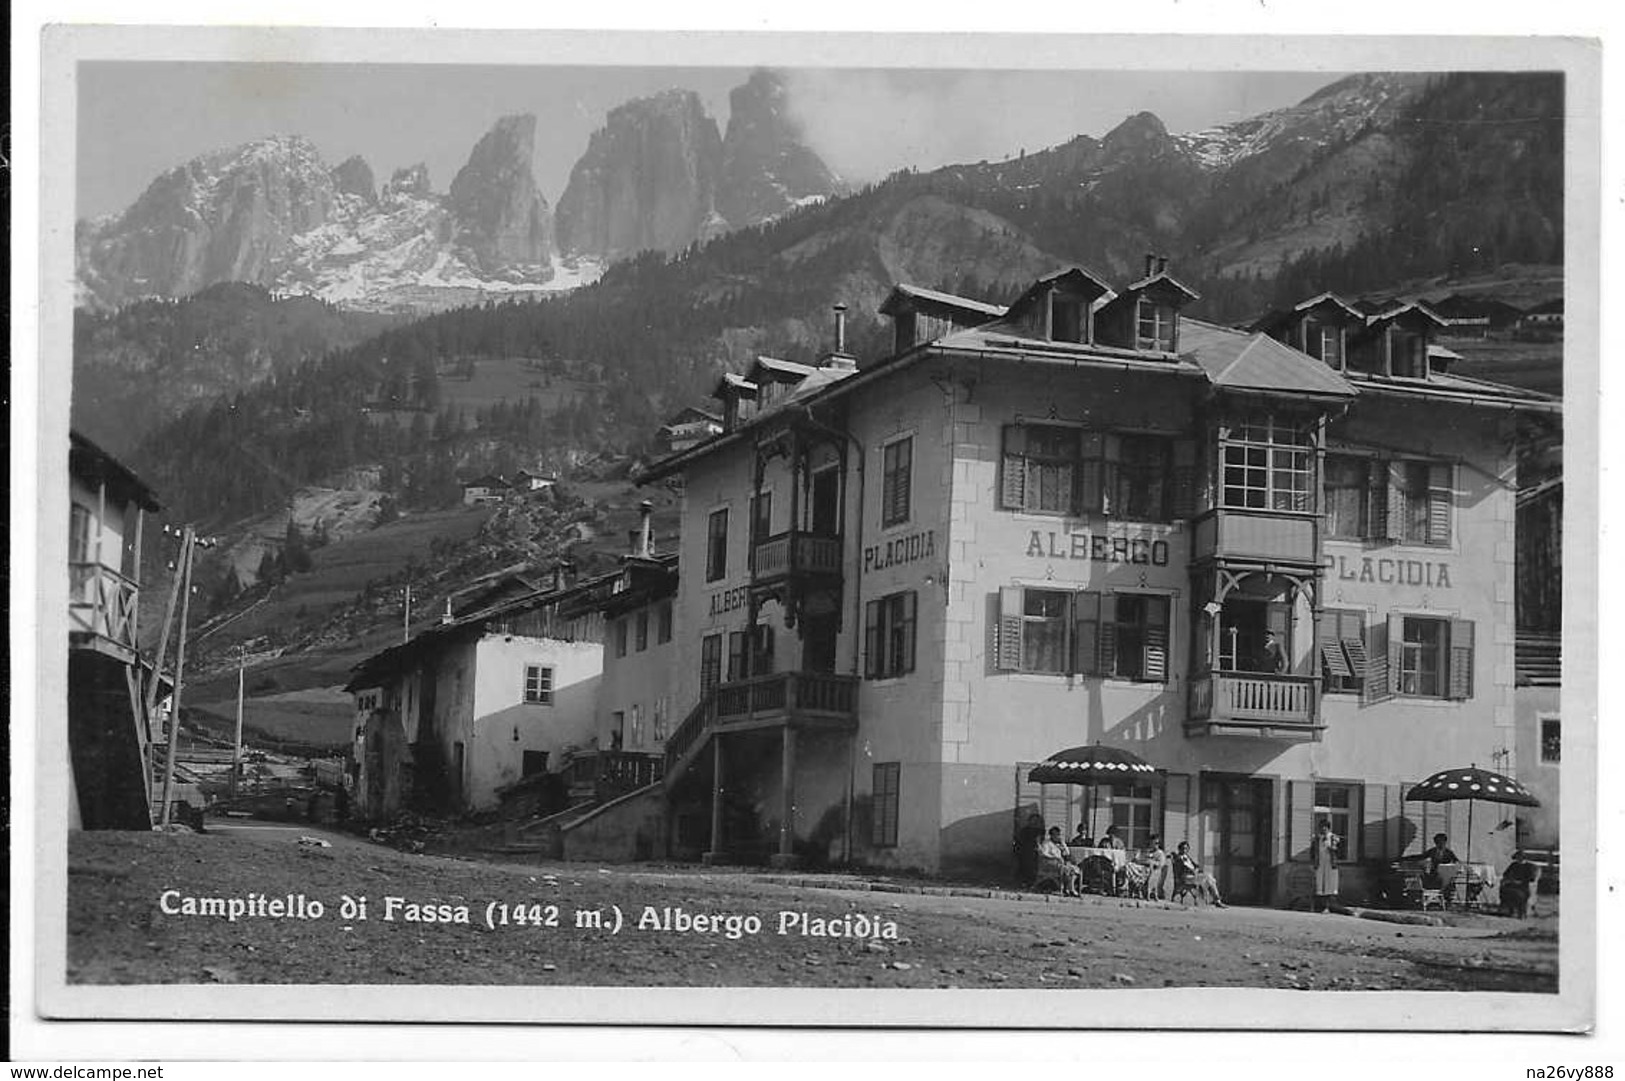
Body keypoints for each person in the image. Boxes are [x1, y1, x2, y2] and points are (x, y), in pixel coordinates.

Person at [1171, 840, 1227, 907]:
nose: (1184, 850)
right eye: (1183, 848)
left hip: (1193, 876)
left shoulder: (1187, 857)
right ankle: (1215, 899)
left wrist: (1196, 869)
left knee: (1209, 879)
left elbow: (1195, 866)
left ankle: (1216, 899)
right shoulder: (1178, 858)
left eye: (1186, 848)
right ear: (1179, 849)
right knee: (1209, 878)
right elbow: (1181, 868)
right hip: (1186, 878)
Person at [1038, 826, 1083, 897]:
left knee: (1074, 870)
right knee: (1066, 869)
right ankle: (1069, 889)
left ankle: (1070, 888)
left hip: (1061, 863)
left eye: (1058, 835)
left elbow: (1067, 853)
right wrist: (1055, 857)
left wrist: (1063, 845)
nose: (1057, 836)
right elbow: (1044, 854)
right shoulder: (1047, 843)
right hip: (1051, 863)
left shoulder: (1060, 844)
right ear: (1051, 835)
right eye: (1055, 835)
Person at [1311, 819, 1342, 913]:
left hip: (1330, 864)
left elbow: (1339, 851)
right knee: (1320, 884)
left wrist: (1332, 848)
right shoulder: (1317, 839)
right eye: (1321, 828)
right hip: (1320, 864)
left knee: (1329, 885)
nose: (1322, 830)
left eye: (1324, 828)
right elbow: (1313, 852)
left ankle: (1328, 907)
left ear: (1328, 828)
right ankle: (1320, 906)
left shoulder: (1333, 837)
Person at [1500, 851, 1539, 918]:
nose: (1518, 859)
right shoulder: (1513, 865)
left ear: (1523, 858)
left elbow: (1531, 878)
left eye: (1520, 857)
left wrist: (1520, 881)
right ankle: (1509, 910)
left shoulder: (1529, 866)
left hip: (1523, 886)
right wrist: (1509, 880)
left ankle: (1521, 912)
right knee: (1505, 891)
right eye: (1517, 857)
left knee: (1518, 894)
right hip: (1512, 884)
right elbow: (1505, 874)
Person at [1015, 813, 1045, 886]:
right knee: (1024, 866)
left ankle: (1031, 882)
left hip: (1034, 851)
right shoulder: (1024, 830)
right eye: (1033, 820)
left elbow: (1040, 840)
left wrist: (1039, 847)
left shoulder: (1040, 831)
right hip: (1024, 850)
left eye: (1036, 820)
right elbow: (1020, 840)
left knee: (1033, 867)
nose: (1034, 822)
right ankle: (1023, 881)